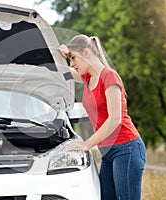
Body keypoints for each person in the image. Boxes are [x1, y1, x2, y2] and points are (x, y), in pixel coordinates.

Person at [59, 35, 146, 200]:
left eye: (74, 58)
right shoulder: (87, 78)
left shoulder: (109, 77)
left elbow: (115, 119)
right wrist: (60, 53)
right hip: (107, 152)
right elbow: (61, 71)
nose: (72, 64)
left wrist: (86, 144)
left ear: (86, 52)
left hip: (126, 148)